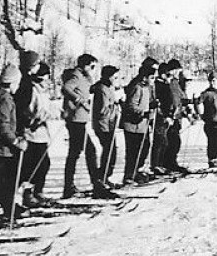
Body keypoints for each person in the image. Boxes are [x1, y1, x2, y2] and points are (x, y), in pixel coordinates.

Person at [0, 63, 27, 229]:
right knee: (3, 182)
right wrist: (15, 141)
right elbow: (2, 124)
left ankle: (1, 211)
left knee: (2, 182)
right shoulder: (5, 99)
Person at [62, 53, 112, 199]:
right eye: (91, 66)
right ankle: (95, 183)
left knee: (75, 153)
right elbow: (66, 88)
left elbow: (87, 88)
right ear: (84, 65)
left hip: (81, 119)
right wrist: (78, 100)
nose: (93, 69)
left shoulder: (84, 77)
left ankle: (70, 186)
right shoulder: (76, 75)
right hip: (75, 119)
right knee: (89, 151)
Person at [14, 52, 52, 209]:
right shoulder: (29, 86)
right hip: (30, 131)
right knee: (30, 165)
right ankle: (27, 194)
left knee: (43, 164)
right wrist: (31, 121)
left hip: (40, 131)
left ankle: (37, 191)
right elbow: (24, 109)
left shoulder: (42, 90)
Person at [121, 58, 157, 185]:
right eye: (152, 78)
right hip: (133, 124)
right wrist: (144, 113)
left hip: (142, 124)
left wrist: (152, 105)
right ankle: (129, 175)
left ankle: (137, 171)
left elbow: (145, 103)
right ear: (145, 77)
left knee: (144, 147)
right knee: (133, 151)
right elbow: (131, 106)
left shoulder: (146, 88)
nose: (153, 81)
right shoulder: (137, 87)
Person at [154, 58, 189, 175]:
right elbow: (172, 99)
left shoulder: (175, 82)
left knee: (174, 141)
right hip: (170, 115)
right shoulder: (170, 83)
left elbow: (180, 98)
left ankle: (171, 163)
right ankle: (166, 163)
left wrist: (186, 107)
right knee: (169, 141)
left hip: (176, 115)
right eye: (176, 70)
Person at [92, 64, 122, 186]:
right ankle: (101, 177)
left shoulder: (108, 88)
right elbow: (102, 110)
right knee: (110, 152)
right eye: (114, 77)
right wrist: (115, 105)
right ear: (108, 77)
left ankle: (104, 177)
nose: (116, 80)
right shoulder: (102, 89)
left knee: (111, 151)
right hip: (103, 125)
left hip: (109, 124)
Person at [197, 70, 217, 168]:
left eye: (214, 80)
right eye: (210, 80)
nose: (212, 82)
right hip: (211, 121)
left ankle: (215, 158)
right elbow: (197, 102)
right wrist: (200, 114)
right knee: (212, 140)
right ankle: (211, 159)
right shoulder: (207, 93)